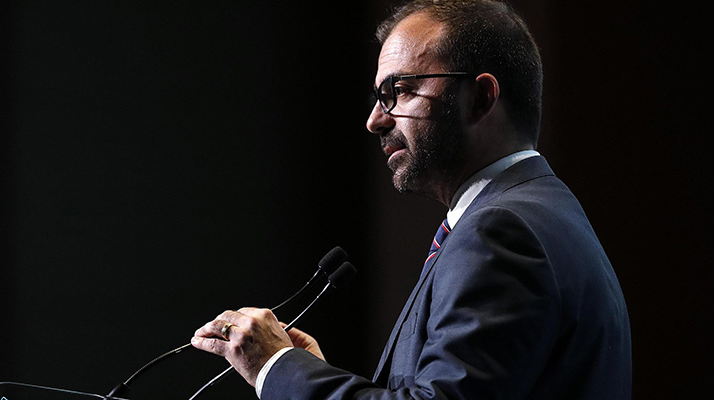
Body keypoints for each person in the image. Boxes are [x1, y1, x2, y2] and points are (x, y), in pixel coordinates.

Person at [190, 0, 632, 398]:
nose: (374, 121)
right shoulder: (544, 209)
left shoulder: (501, 233)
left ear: (479, 99)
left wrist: (277, 367)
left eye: (398, 92)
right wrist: (313, 373)